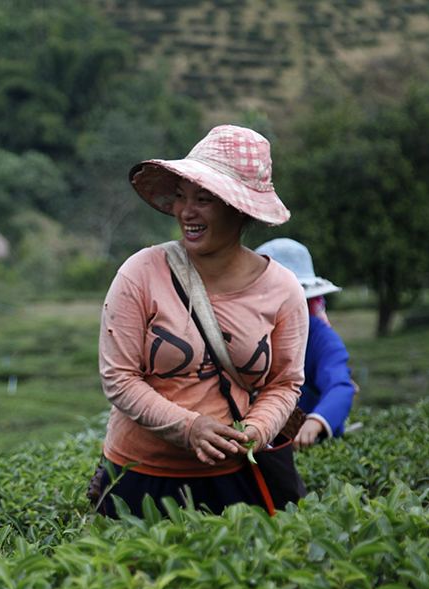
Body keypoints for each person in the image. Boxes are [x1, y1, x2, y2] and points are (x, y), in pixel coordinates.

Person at [97, 125, 308, 518]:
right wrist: (188, 427)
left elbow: (285, 382)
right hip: (139, 476)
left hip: (235, 477)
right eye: (181, 197)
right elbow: (119, 378)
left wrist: (257, 430)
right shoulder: (140, 273)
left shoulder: (283, 290)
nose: (185, 212)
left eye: (204, 199)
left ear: (239, 207)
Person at [255, 238, 356, 450]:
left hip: (307, 446)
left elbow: (340, 386)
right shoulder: (244, 334)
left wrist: (316, 421)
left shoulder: (320, 338)